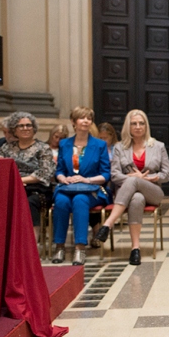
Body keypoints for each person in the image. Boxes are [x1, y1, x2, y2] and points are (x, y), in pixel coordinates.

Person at [94, 109, 169, 265]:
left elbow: (167, 173)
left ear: (146, 126)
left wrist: (150, 178)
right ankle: (135, 249)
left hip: (153, 190)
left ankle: (108, 224)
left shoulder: (158, 146)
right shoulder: (119, 147)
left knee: (135, 181)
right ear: (128, 127)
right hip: (129, 194)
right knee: (136, 198)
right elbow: (115, 175)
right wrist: (132, 178)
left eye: (141, 123)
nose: (138, 127)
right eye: (134, 123)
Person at [51, 107, 111, 266]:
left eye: (89, 118)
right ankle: (59, 247)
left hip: (92, 189)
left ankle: (79, 248)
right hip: (67, 187)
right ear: (73, 122)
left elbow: (106, 174)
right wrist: (63, 178)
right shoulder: (64, 144)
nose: (86, 121)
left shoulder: (99, 145)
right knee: (62, 202)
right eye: (81, 118)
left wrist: (87, 180)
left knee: (80, 200)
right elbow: (59, 170)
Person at [0, 111, 55, 226]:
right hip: (12, 188)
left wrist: (19, 181)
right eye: (21, 126)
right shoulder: (5, 148)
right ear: (14, 130)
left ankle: (30, 242)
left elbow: (44, 172)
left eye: (29, 125)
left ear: (34, 129)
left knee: (28, 203)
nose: (25, 128)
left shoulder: (43, 148)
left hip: (37, 190)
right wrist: (15, 183)